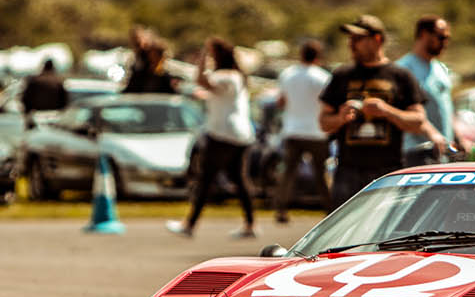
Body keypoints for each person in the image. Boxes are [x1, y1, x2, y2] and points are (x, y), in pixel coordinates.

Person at [317, 15, 426, 204]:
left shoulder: (400, 76)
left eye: (358, 38)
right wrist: (340, 118)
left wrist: (386, 110)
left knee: (387, 231)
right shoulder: (342, 75)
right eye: (350, 39)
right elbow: (323, 123)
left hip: (388, 170)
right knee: (344, 231)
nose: (351, 44)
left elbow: (418, 121)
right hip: (347, 171)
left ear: (377, 39)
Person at [168, 37, 256, 238]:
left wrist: (201, 59)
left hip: (223, 134)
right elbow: (215, 94)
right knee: (239, 180)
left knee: (206, 178)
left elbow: (201, 81)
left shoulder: (225, 76)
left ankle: (189, 224)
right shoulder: (237, 76)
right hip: (240, 134)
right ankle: (249, 224)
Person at [272, 38, 332, 222]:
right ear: (318, 56)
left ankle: (281, 208)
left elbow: (280, 101)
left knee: (288, 172)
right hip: (316, 131)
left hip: (293, 129)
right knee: (321, 173)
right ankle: (330, 209)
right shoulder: (322, 77)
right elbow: (328, 104)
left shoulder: (288, 74)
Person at [396, 16, 454, 167]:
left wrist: (458, 138)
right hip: (416, 153)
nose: (445, 43)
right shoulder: (404, 69)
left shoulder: (440, 68)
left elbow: (446, 109)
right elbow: (403, 112)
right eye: (441, 37)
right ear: (423, 35)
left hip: (441, 154)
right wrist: (431, 133)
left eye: (447, 38)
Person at [123, 28, 179, 95]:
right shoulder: (139, 75)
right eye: (152, 55)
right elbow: (129, 92)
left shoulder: (167, 77)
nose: (154, 58)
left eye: (157, 55)